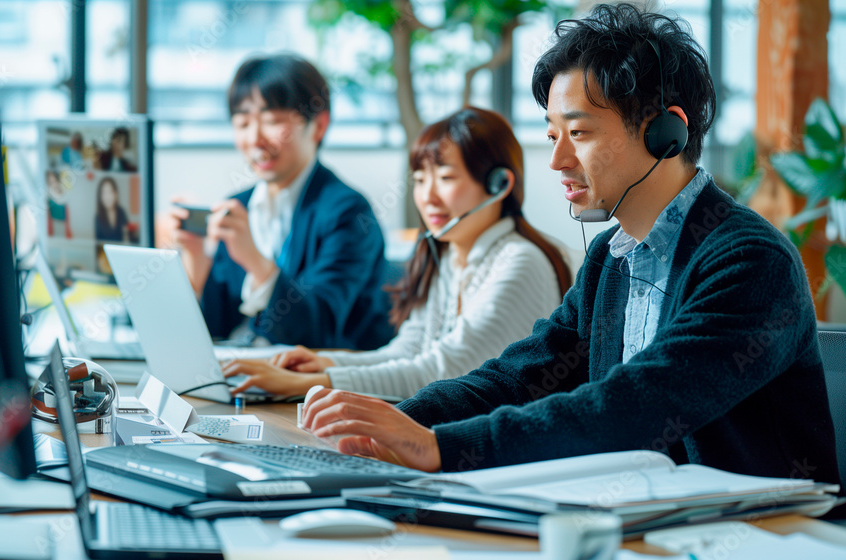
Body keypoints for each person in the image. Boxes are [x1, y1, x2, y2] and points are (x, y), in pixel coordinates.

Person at [301, 3, 841, 487]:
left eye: (578, 134)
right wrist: (402, 419)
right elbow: (520, 376)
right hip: (635, 515)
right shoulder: (612, 256)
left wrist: (443, 448)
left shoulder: (747, 259)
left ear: (664, 133)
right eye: (551, 134)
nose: (557, 161)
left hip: (759, 536)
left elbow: (639, 406)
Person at [222, 107, 572, 399]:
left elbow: (446, 370)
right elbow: (407, 353)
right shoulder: (448, 258)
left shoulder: (518, 261)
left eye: (446, 177)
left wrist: (315, 383)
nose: (427, 196)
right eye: (420, 179)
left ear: (499, 185)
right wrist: (321, 362)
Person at [162, 54, 394, 350]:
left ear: (319, 125)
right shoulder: (237, 206)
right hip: (248, 381)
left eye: (272, 121)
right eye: (243, 123)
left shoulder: (348, 214)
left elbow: (317, 331)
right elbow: (216, 327)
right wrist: (195, 255)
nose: (255, 138)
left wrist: (256, 263)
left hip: (322, 389)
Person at [95, 176, 130, 242]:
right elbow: (98, 244)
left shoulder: (121, 212)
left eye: (110, 192)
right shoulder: (98, 217)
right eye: (104, 193)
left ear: (115, 194)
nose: (107, 197)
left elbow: (127, 238)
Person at [46, 169, 72, 239]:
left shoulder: (64, 192)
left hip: (63, 222)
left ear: (57, 180)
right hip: (53, 224)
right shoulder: (48, 197)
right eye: (50, 182)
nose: (53, 184)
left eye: (54, 181)